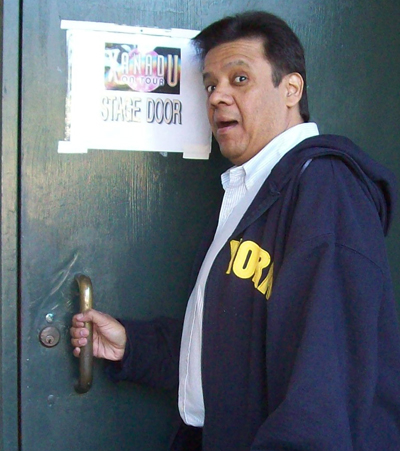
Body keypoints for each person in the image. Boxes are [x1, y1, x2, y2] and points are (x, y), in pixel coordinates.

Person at [70, 10, 400, 451]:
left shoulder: (325, 188)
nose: (218, 97)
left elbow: (326, 388)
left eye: (239, 79)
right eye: (210, 84)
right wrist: (133, 345)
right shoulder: (248, 191)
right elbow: (230, 347)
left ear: (291, 89)